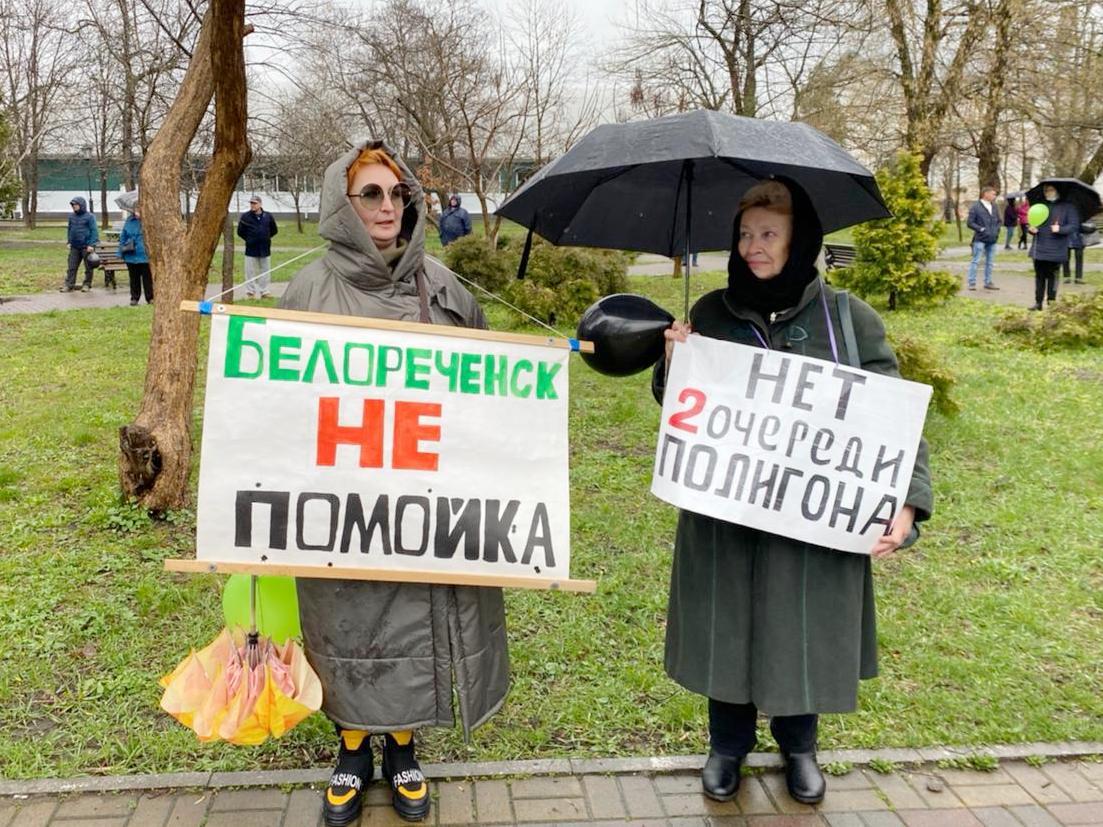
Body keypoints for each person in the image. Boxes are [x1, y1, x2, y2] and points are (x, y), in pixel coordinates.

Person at [654, 178, 932, 807]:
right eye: (745, 234)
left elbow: (897, 421)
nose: (754, 247)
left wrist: (907, 502)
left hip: (809, 523)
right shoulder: (711, 315)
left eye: (769, 234)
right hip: (726, 516)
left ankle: (799, 747)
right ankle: (726, 746)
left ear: (799, 239)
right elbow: (681, 410)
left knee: (800, 629)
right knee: (729, 628)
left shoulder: (847, 318)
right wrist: (674, 365)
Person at [279, 141, 507, 826]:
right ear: (342, 205)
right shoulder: (310, 288)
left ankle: (402, 748)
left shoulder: (440, 284)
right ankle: (351, 750)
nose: (386, 206)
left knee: (412, 621)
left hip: (422, 498)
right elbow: (275, 400)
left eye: (396, 193)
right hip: (339, 502)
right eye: (370, 194)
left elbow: (492, 383)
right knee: (344, 620)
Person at [1027, 184, 1078, 310]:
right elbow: (1033, 221)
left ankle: (1051, 303)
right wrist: (1031, 229)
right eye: (1045, 190)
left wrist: (1060, 229)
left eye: (1050, 190)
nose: (1047, 193)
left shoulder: (1068, 207)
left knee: (1053, 277)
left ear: (1057, 191)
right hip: (1039, 247)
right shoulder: (1040, 205)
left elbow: (1074, 226)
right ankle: (1038, 303)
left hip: (1056, 249)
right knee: (1039, 277)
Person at [236, 194, 278, 298]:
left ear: (260, 204)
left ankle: (264, 291)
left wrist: (265, 237)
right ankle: (250, 291)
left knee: (265, 270)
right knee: (250, 271)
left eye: (255, 203)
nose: (253, 205)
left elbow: (274, 230)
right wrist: (250, 239)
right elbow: (240, 232)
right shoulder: (245, 217)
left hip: (265, 248)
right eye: (251, 203)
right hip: (251, 249)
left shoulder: (268, 216)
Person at [965, 186, 1001, 290]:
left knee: (990, 262)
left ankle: (988, 282)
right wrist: (981, 229)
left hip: (992, 239)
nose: (994, 196)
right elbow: (970, 223)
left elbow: (999, 220)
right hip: (980, 239)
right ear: (986, 194)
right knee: (976, 261)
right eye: (993, 194)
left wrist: (996, 230)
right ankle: (971, 283)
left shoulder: (994, 206)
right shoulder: (976, 207)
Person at [60, 196, 99, 292]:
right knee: (71, 267)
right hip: (75, 246)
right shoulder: (71, 216)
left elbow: (94, 231)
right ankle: (69, 284)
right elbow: (70, 229)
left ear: (81, 205)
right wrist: (69, 241)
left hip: (86, 246)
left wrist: (91, 244)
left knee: (88, 267)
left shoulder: (90, 217)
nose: (74, 207)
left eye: (76, 205)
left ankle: (87, 284)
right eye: (73, 205)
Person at [118, 205, 152, 305]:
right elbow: (123, 236)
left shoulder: (149, 221)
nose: (137, 211)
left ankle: (150, 297)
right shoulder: (129, 221)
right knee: (134, 278)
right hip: (131, 254)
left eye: (139, 209)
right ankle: (134, 298)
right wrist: (120, 251)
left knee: (147, 278)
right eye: (136, 209)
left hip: (145, 255)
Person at [1062, 217, 1085, 285]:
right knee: (1065, 258)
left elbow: (1084, 226)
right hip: (1066, 238)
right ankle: (1067, 277)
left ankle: (1078, 278)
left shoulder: (1080, 213)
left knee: (1079, 257)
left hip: (1078, 238)